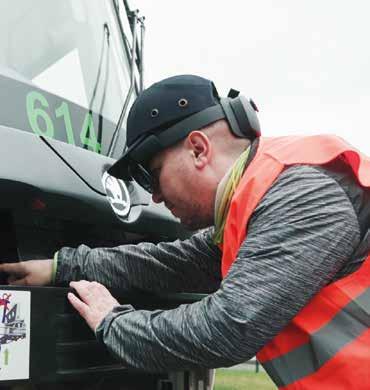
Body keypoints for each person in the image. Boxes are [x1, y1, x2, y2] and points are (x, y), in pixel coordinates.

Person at [1, 74, 370, 389]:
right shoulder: (252, 208)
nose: (156, 197)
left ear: (197, 149)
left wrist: (112, 321)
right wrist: (60, 266)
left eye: (152, 175)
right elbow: (171, 262)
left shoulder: (303, 193)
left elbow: (228, 327)